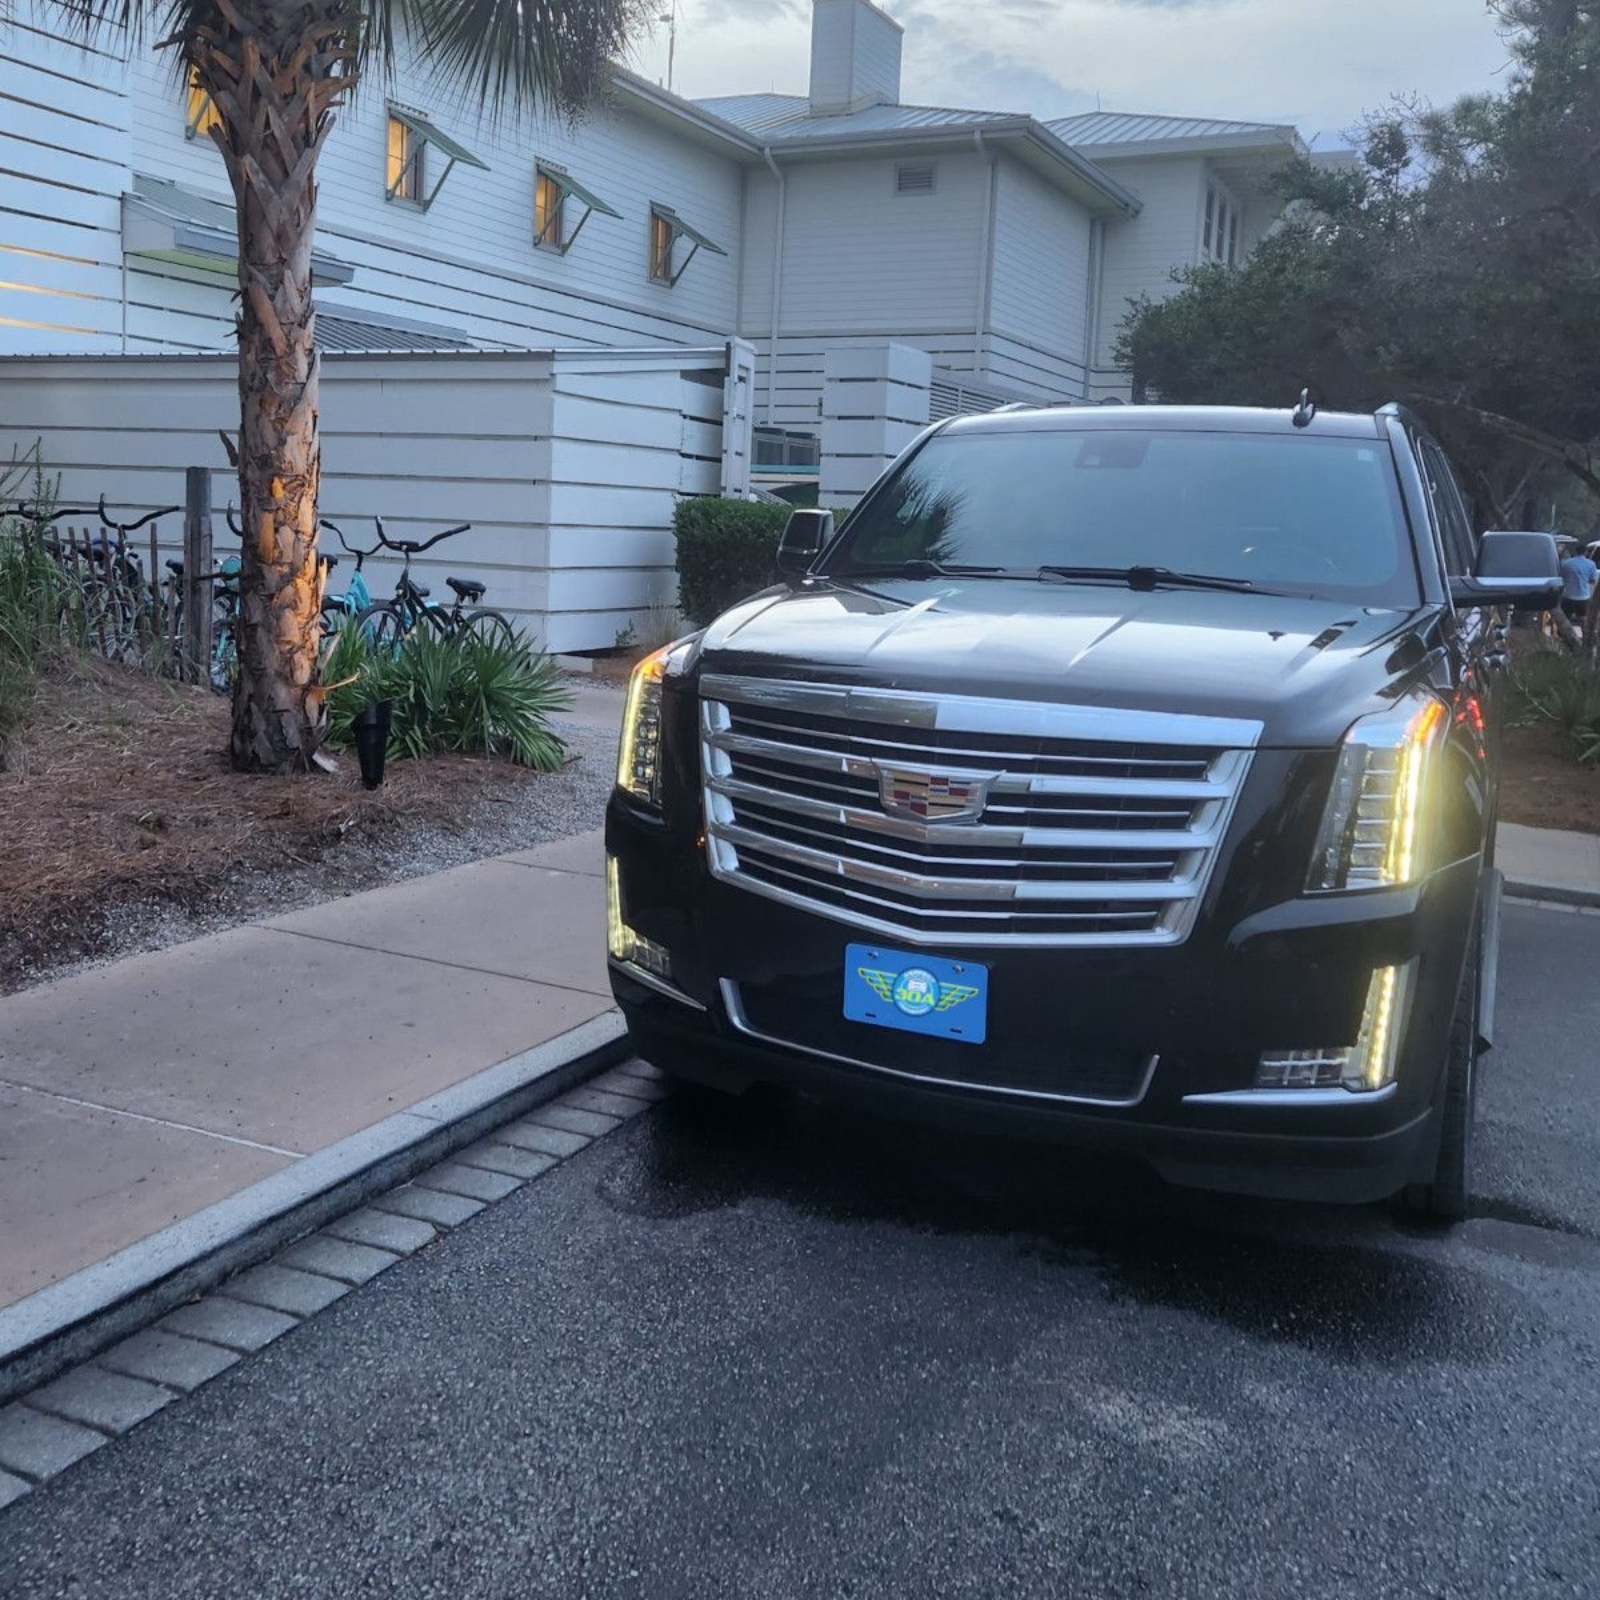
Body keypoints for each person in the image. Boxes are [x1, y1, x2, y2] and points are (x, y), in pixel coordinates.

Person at [1559, 537, 1598, 626]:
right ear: (1585, 552)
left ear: (1576, 551)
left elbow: (1562, 578)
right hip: (1583, 597)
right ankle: (1585, 636)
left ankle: (1564, 637)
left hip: (1568, 596)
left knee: (1565, 619)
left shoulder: (1566, 563)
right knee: (1583, 620)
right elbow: (1592, 580)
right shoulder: (1591, 564)